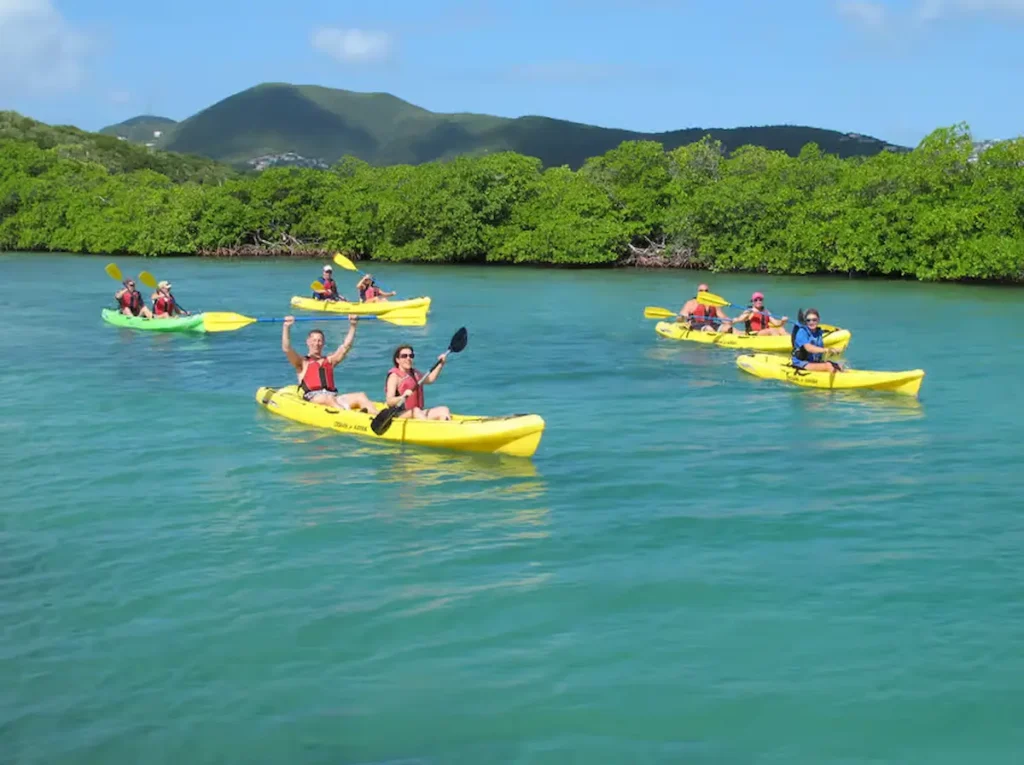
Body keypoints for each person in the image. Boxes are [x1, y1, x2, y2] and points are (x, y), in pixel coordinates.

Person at [280, 315, 379, 414]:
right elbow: (286, 348)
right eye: (314, 340)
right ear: (308, 342)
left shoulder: (330, 360)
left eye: (319, 341)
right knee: (327, 398)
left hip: (332, 397)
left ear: (323, 343)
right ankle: (347, 415)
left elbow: (346, 347)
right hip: (314, 399)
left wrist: (353, 326)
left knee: (360, 396)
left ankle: (378, 417)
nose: (317, 343)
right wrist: (286, 327)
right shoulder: (302, 362)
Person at [384, 344, 452, 421]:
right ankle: (429, 428)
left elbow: (430, 379)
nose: (408, 358)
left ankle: (444, 428)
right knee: (415, 411)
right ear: (397, 360)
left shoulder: (414, 373)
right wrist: (402, 397)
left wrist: (441, 364)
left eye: (411, 356)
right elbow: (389, 401)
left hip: (417, 413)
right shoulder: (394, 376)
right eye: (404, 356)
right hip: (399, 415)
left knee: (444, 410)